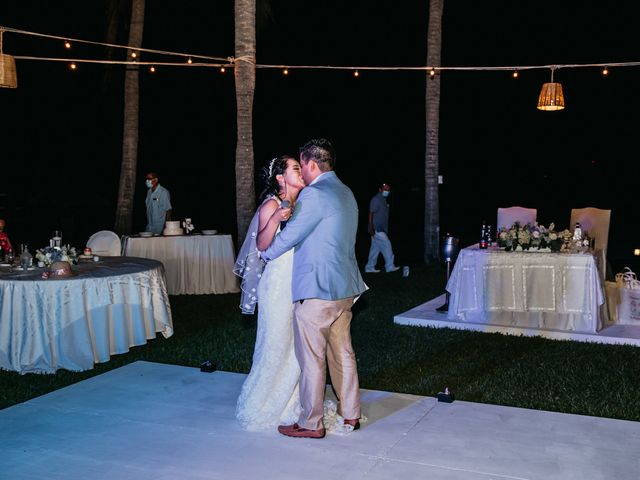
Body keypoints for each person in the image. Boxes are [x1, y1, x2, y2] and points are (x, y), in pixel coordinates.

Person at [261, 138, 368, 439]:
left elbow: (291, 235)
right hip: (345, 288)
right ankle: (351, 415)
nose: (303, 173)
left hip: (317, 290)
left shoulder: (315, 195)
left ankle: (311, 423)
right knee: (342, 352)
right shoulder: (346, 192)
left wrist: (265, 255)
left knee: (311, 359)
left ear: (309, 163)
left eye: (302, 165)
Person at [234, 155, 305, 431]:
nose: (300, 172)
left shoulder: (303, 204)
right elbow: (262, 246)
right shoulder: (271, 205)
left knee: (295, 346)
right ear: (280, 177)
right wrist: (276, 217)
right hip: (277, 285)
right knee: (276, 342)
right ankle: (263, 403)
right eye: (295, 168)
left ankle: (295, 401)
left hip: (298, 282)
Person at [365, 183, 400, 273]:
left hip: (380, 228)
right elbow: (371, 213)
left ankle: (369, 267)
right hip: (376, 228)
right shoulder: (376, 199)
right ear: (380, 190)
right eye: (385, 189)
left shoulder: (383, 200)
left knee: (375, 249)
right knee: (387, 245)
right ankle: (389, 266)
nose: (387, 191)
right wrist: (370, 226)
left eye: (388, 190)